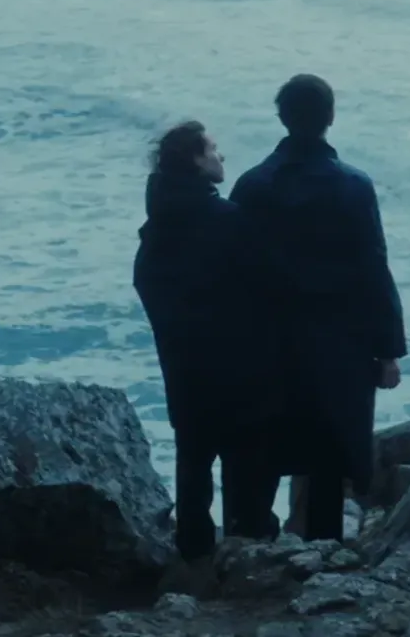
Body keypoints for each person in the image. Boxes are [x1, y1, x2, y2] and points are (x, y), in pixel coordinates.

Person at [230, 74, 407, 541]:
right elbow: (373, 269)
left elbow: (233, 273)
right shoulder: (352, 187)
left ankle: (247, 556)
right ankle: (324, 558)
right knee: (328, 460)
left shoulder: (251, 187)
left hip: (268, 349)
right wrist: (388, 350)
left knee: (264, 455)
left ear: (282, 118)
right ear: (330, 119)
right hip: (339, 350)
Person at [133, 120, 282, 560]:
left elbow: (145, 279)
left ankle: (193, 554)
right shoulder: (226, 220)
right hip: (235, 362)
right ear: (195, 161)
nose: (221, 156)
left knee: (193, 457)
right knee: (244, 458)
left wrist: (174, 329)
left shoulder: (159, 222)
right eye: (213, 149)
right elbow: (264, 283)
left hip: (182, 361)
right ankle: (246, 549)